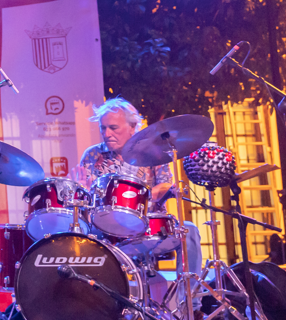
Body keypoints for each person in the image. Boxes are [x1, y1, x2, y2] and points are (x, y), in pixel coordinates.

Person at [74, 97, 203, 275]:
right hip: (107, 232)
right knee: (77, 234)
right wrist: (82, 191)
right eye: (103, 128)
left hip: (148, 227)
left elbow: (165, 184)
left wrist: (144, 196)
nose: (107, 133)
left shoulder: (154, 151)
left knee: (189, 231)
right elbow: (87, 203)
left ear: (133, 127)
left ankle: (189, 293)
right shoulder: (92, 155)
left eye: (113, 128)